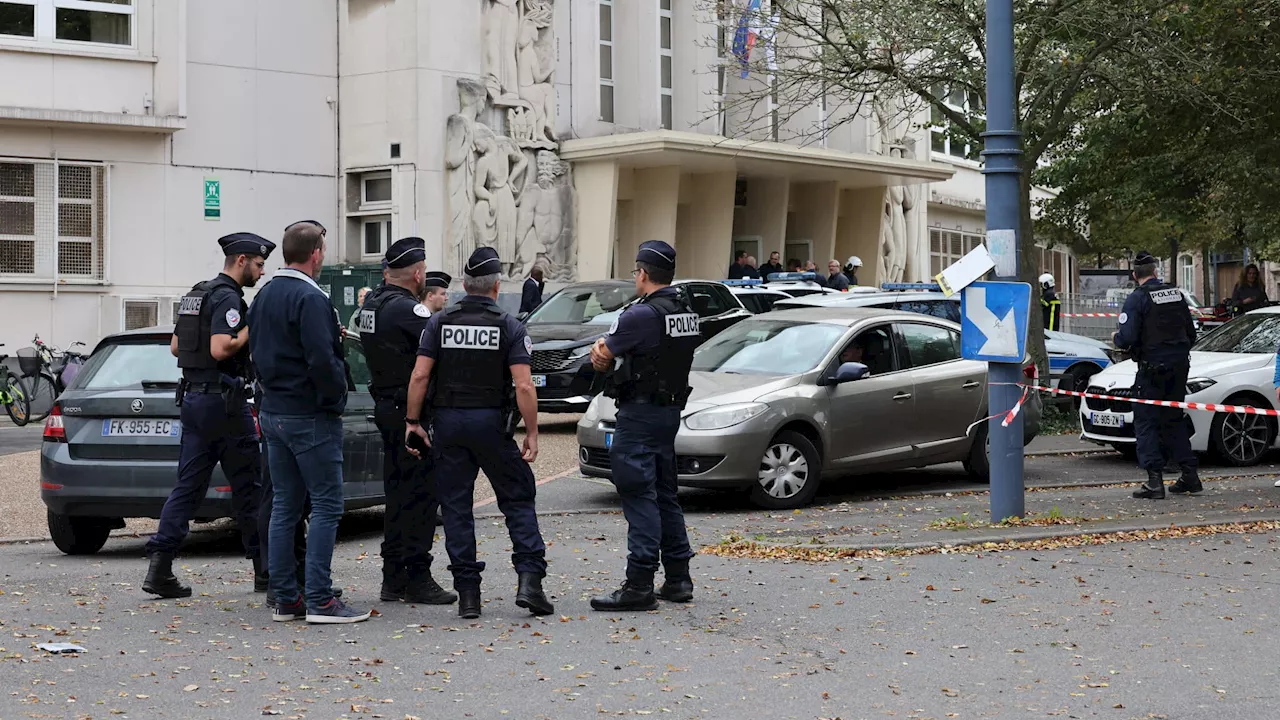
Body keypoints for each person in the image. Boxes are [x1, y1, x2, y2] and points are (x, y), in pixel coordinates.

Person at [404, 246, 554, 620]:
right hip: (491, 425)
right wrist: (532, 431)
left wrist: (412, 422)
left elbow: (420, 375)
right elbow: (523, 387)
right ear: (496, 287)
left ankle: (468, 595)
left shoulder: (438, 323)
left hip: (449, 425)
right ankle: (530, 581)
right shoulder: (509, 325)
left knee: (456, 507)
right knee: (517, 499)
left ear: (465, 285)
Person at [250, 220, 371, 624]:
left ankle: (287, 597)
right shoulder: (311, 298)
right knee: (326, 505)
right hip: (309, 413)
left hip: (273, 410)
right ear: (316, 253)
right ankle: (320, 598)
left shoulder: (264, 294)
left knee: (285, 505)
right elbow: (323, 359)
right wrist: (334, 399)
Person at [143, 233, 273, 599]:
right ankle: (264, 571)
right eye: (260, 265)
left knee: (187, 487)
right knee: (250, 487)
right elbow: (221, 347)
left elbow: (175, 346)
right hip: (225, 405)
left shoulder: (196, 294)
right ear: (242, 260)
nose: (262, 273)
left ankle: (160, 567)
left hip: (195, 402)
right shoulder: (230, 297)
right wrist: (252, 325)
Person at [587, 240, 699, 611]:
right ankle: (679, 577)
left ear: (643, 273)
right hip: (669, 414)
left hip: (639, 414)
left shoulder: (640, 315)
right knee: (665, 492)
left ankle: (639, 584)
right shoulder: (684, 309)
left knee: (639, 495)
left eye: (636, 272)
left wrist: (602, 348)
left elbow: (603, 355)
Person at [357, 238, 457, 606]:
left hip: (386, 404)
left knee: (398, 494)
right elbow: (440, 351)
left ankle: (393, 577)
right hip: (408, 411)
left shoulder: (373, 304)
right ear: (417, 274)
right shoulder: (408, 311)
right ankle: (416, 576)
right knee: (418, 495)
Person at [1112, 251, 1201, 499]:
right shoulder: (1176, 295)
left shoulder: (1136, 299)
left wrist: (1116, 339)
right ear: (1155, 272)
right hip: (1179, 367)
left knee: (1146, 421)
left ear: (1134, 275)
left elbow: (1126, 338)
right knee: (1174, 418)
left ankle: (1154, 481)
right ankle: (1189, 475)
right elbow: (1191, 334)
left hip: (1152, 369)